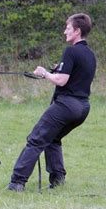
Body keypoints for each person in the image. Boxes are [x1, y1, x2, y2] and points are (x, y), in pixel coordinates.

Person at [7, 13, 96, 192]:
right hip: (83, 108)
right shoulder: (90, 54)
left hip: (66, 106)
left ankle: (17, 182)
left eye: (68, 28)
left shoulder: (71, 51)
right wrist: (54, 71)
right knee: (53, 139)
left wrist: (45, 73)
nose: (65, 32)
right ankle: (57, 180)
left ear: (77, 31)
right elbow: (73, 76)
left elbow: (62, 81)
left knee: (36, 140)